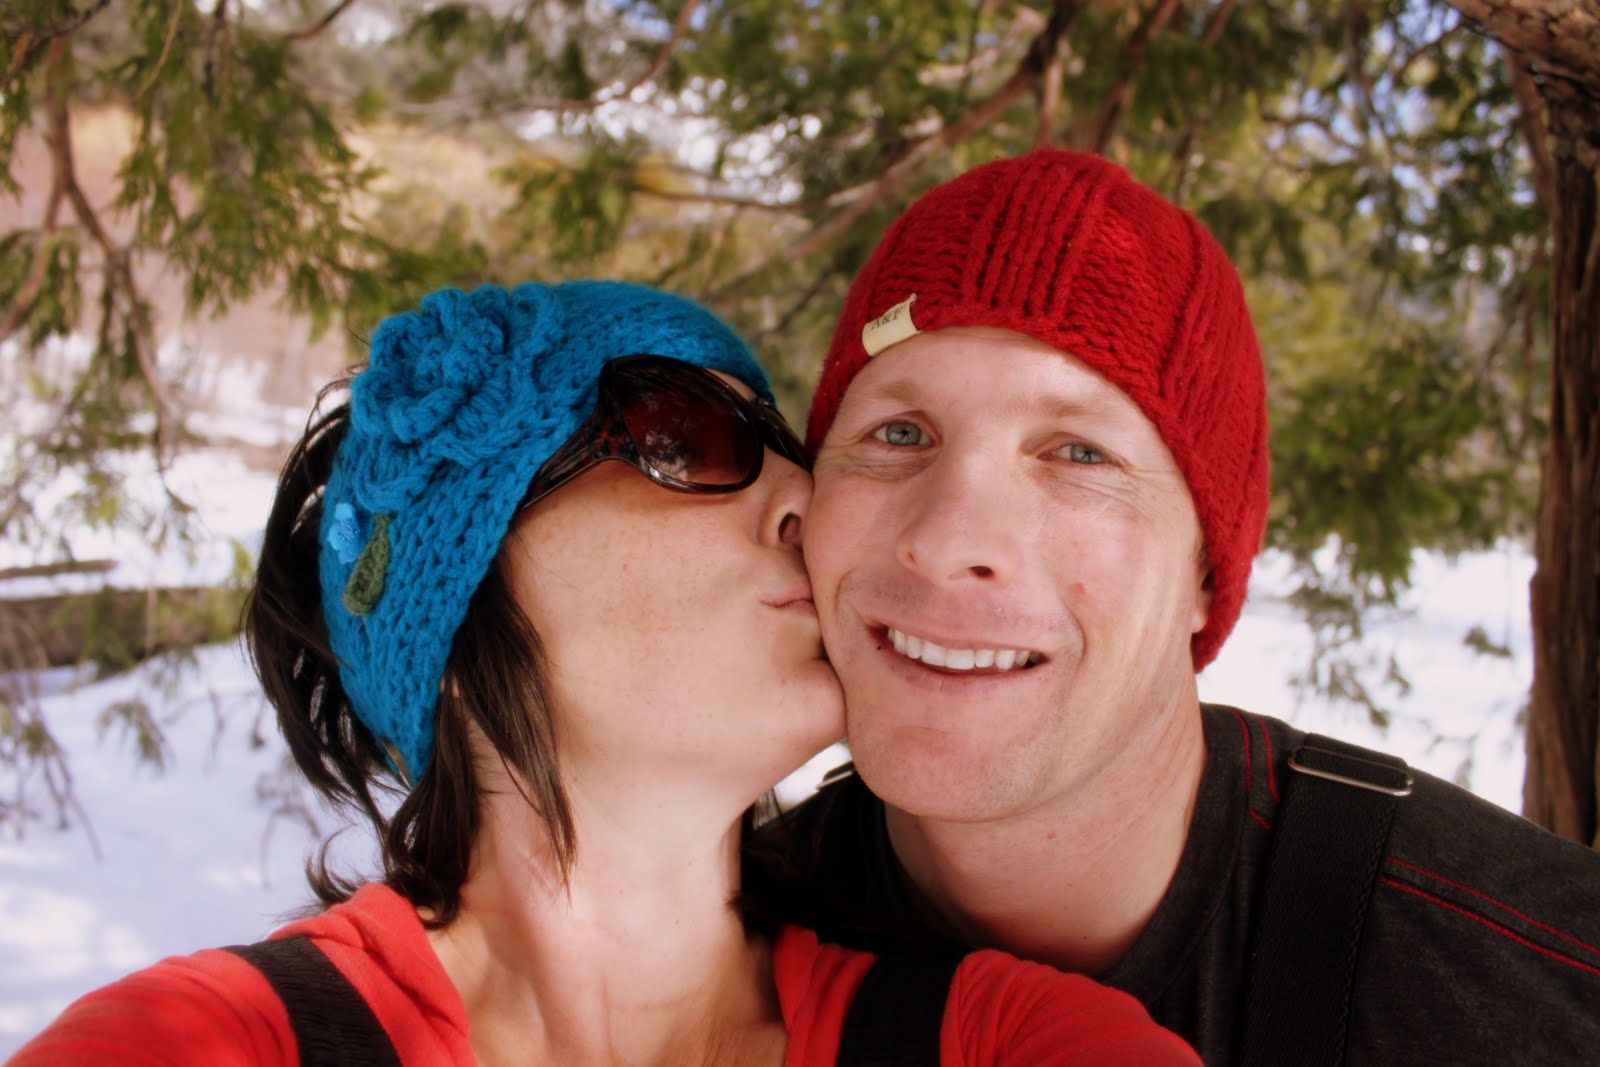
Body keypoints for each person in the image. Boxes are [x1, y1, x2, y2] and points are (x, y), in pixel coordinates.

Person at [9, 280, 1201, 1066]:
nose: (805, 499)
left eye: (789, 447)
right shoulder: (204, 1044)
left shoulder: (1007, 1041)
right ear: (459, 591)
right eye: (687, 440)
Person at [747, 149, 1600, 1066]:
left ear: (1204, 572)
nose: (950, 538)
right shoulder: (706, 954)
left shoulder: (1534, 988)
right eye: (898, 432)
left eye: (1079, 453)